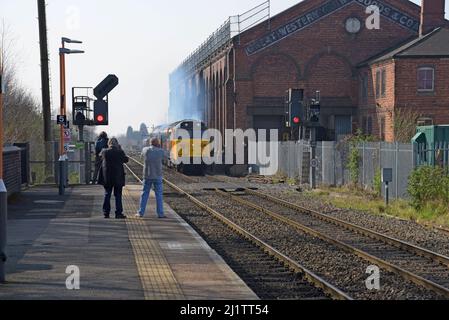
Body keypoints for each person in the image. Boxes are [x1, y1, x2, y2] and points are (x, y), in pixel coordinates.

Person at [98, 138, 129, 219]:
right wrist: (120, 149)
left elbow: (100, 157)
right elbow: (126, 160)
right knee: (118, 195)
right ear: (117, 144)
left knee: (107, 194)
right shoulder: (120, 152)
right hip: (118, 177)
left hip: (107, 177)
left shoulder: (104, 151)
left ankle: (106, 213)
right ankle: (118, 213)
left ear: (109, 143)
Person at [136, 138, 166, 218]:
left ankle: (140, 213)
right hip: (158, 175)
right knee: (159, 195)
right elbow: (165, 157)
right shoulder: (161, 151)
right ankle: (160, 214)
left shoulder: (145, 150)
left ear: (150, 143)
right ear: (157, 143)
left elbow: (141, 156)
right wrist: (159, 147)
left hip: (147, 176)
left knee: (144, 194)